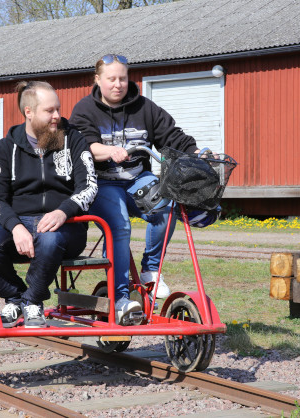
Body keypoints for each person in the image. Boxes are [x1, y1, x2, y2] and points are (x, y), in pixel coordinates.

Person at [70, 54, 200, 324]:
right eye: (111, 79)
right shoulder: (84, 109)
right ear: (98, 80)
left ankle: (151, 270)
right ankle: (120, 299)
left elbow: (171, 136)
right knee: (119, 226)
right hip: (102, 184)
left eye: (123, 78)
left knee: (166, 204)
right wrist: (108, 151)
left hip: (137, 180)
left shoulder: (145, 108)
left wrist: (196, 151)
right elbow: (87, 145)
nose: (118, 85)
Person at [0, 81, 98, 328]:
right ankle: (16, 297)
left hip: (67, 226)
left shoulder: (74, 140)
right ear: (28, 112)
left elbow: (90, 186)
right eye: (49, 111)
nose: (57, 116)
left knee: (50, 239)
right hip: (21, 223)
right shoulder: (5, 147)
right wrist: (15, 226)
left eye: (58, 109)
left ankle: (33, 301)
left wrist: (64, 211)